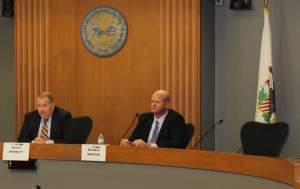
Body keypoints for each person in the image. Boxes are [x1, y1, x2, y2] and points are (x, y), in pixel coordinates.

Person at [120, 90, 186, 148]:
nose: (153, 104)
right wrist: (129, 143)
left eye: (157, 102)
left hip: (163, 157)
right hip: (142, 156)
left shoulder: (175, 119)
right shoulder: (144, 118)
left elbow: (177, 144)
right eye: (152, 101)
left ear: (167, 105)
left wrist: (150, 146)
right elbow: (133, 139)